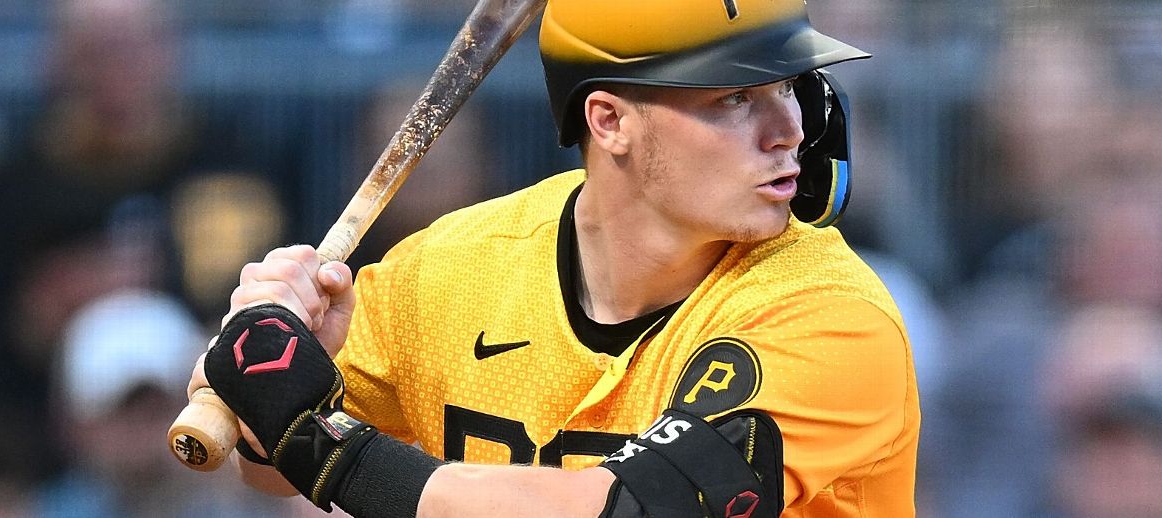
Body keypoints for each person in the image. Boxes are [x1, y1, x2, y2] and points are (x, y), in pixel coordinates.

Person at [188, 1, 919, 517]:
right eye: (734, 97)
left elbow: (623, 511)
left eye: (790, 86)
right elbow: (267, 468)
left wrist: (322, 443)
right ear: (609, 121)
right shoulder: (453, 269)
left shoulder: (831, 316)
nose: (789, 128)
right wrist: (271, 360)